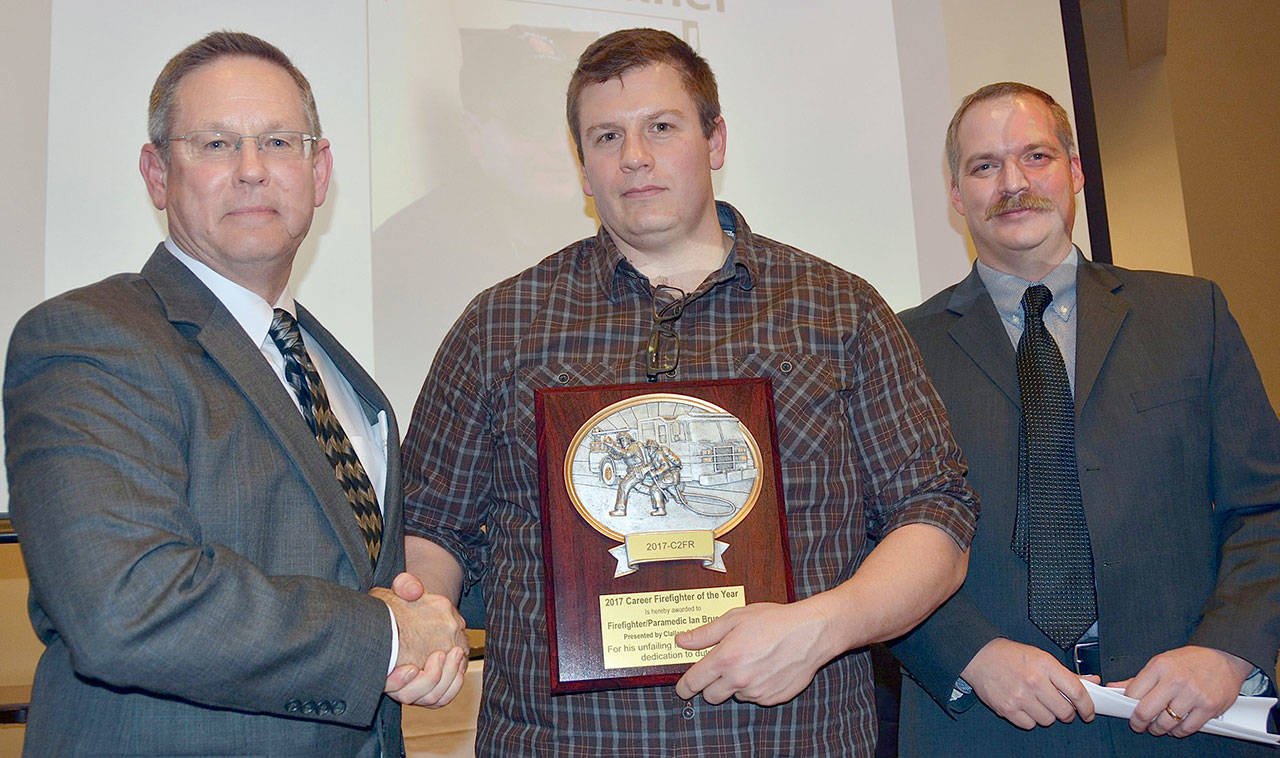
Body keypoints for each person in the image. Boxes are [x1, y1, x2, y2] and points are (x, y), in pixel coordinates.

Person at [400, 28, 978, 755]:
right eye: (606, 136)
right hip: (565, 742)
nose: (634, 156)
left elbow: (935, 511)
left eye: (661, 127)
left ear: (715, 140)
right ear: (583, 169)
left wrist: (823, 627)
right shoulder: (500, 325)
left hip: (794, 738)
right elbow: (431, 525)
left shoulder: (840, 311)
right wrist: (424, 616)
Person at [4, 31, 468, 756]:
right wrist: (384, 638)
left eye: (281, 142)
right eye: (216, 145)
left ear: (320, 173)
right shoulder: (86, 337)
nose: (253, 171)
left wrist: (427, 634)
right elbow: (128, 604)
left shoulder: (347, 381)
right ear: (157, 175)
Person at [892, 81, 1280, 756]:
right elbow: (867, 537)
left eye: (1036, 156)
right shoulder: (898, 347)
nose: (1012, 182)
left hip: (1187, 721)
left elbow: (1266, 509)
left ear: (1074, 172)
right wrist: (973, 654)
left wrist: (1226, 653)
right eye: (984, 166)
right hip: (984, 727)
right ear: (957, 197)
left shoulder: (1191, 317)